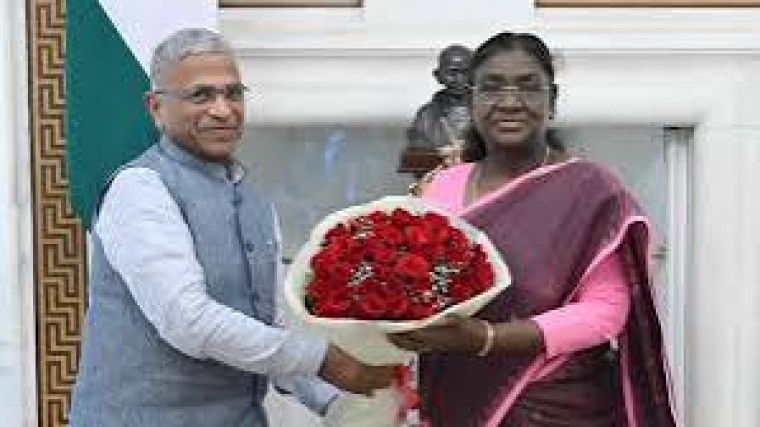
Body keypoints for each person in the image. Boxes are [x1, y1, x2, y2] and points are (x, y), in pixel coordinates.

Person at [69, 28, 394, 426]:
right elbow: (189, 322)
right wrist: (325, 359)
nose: (223, 110)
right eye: (201, 95)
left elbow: (269, 330)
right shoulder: (139, 189)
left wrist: (347, 405)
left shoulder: (255, 201)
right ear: (156, 107)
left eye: (234, 93)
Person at [389, 32, 677, 426]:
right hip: (453, 398)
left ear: (552, 101)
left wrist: (487, 339)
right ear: (472, 101)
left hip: (557, 406)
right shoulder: (441, 186)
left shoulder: (589, 189)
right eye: (492, 87)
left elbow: (606, 311)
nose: (510, 102)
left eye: (528, 86)